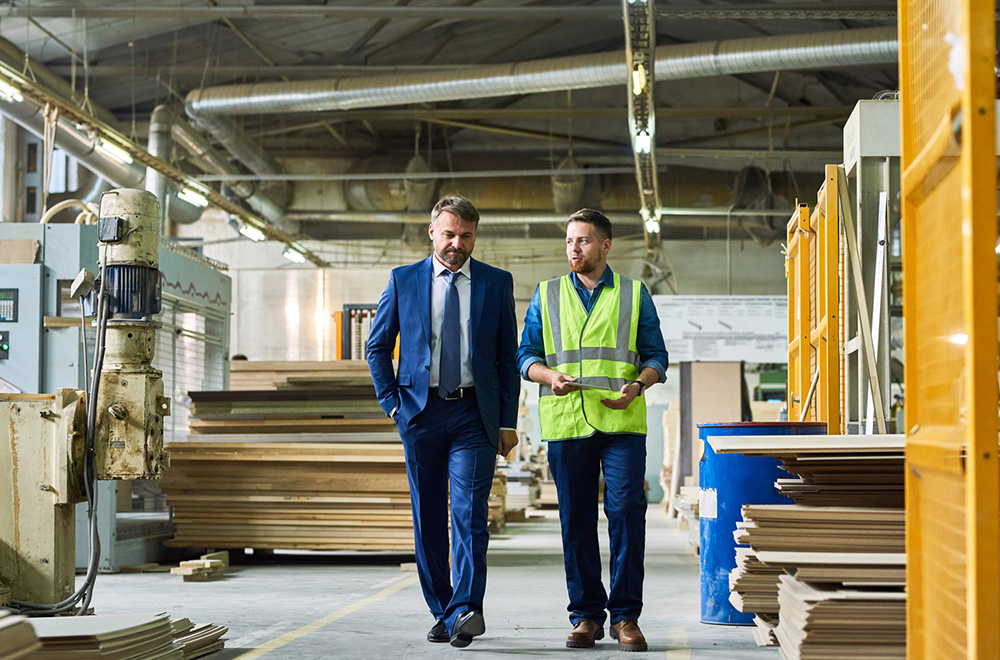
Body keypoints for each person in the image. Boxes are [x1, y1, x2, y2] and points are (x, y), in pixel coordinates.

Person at [367, 195, 520, 648]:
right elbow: (377, 348)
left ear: (475, 235)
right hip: (420, 412)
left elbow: (507, 360)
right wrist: (393, 405)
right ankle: (443, 609)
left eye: (466, 235)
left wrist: (507, 421)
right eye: (449, 234)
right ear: (432, 231)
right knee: (427, 515)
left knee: (470, 514)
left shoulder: (496, 283)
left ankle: (467, 609)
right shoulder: (403, 281)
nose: (457, 243)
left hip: (475, 414)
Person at [517, 209, 668, 652]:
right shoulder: (545, 295)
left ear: (605, 246)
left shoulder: (634, 294)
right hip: (567, 422)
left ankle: (625, 617)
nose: (573, 249)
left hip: (621, 420)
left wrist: (639, 384)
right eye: (568, 241)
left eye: (583, 241)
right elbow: (526, 355)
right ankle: (585, 615)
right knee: (576, 521)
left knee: (625, 514)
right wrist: (548, 377)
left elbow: (657, 357)